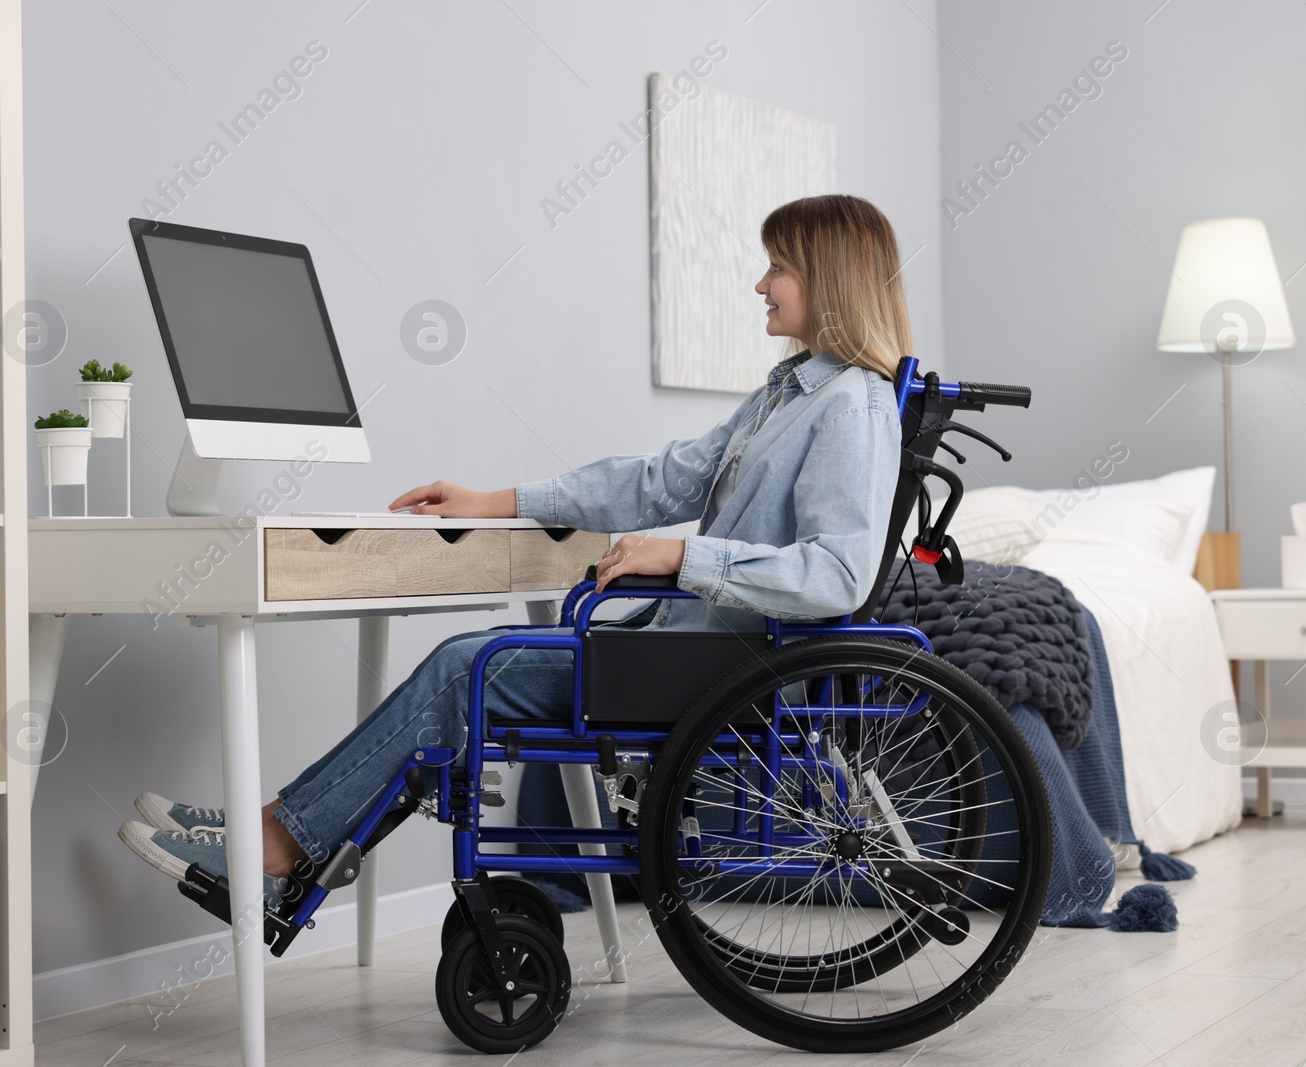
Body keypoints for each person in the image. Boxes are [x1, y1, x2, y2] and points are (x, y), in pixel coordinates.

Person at [118, 193, 911, 908]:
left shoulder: (853, 406)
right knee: (473, 661)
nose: (760, 284)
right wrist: (497, 502)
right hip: (687, 649)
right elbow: (661, 479)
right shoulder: (789, 391)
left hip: (724, 667)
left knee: (472, 664)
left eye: (776, 266)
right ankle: (275, 828)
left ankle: (278, 843)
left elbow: (837, 575)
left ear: (829, 280)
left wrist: (681, 560)